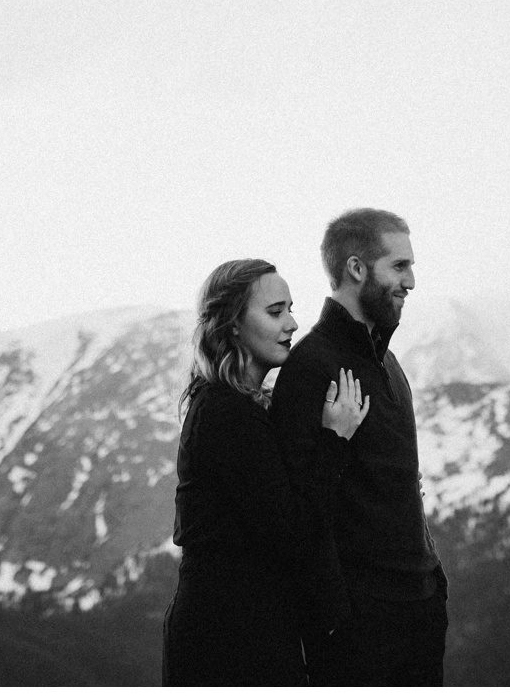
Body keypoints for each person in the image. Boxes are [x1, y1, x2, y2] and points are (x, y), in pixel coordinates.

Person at [162, 258, 369, 686]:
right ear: (233, 324)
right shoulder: (225, 413)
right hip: (229, 639)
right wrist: (335, 439)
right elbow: (293, 529)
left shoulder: (238, 405)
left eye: (291, 308)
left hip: (244, 626)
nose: (292, 323)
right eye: (275, 312)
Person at [271, 208, 448, 685]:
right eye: (399, 266)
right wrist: (335, 623)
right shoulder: (310, 367)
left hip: (421, 607)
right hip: (362, 630)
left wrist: (433, 586)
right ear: (356, 268)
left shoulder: (389, 363)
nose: (411, 281)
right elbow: (301, 510)